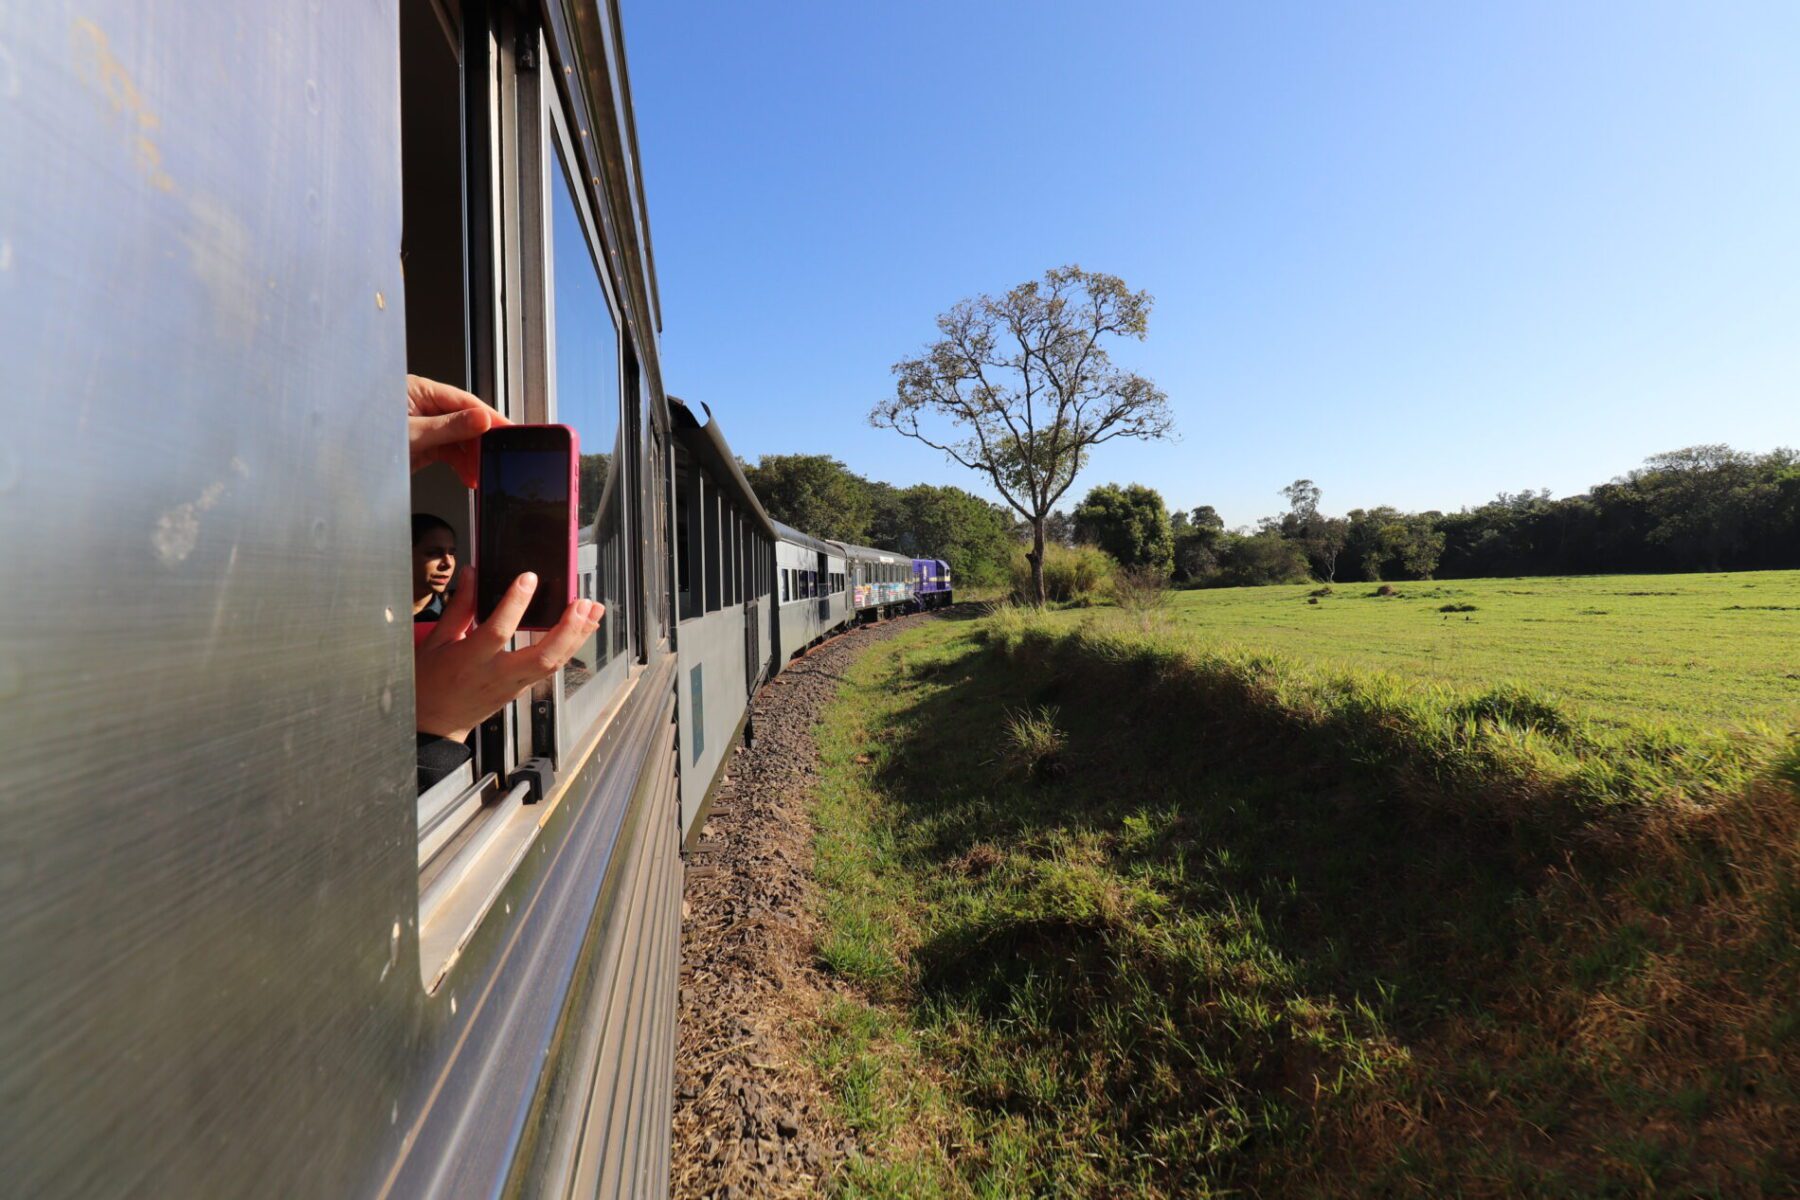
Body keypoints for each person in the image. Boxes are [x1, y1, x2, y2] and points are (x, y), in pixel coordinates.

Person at [407, 375, 602, 790]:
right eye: (431, 552)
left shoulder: (460, 626)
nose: (446, 562)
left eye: (452, 551)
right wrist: (437, 725)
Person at [411, 513, 458, 624]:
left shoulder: (456, 615)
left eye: (451, 553)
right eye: (434, 553)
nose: (448, 563)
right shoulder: (374, 613)